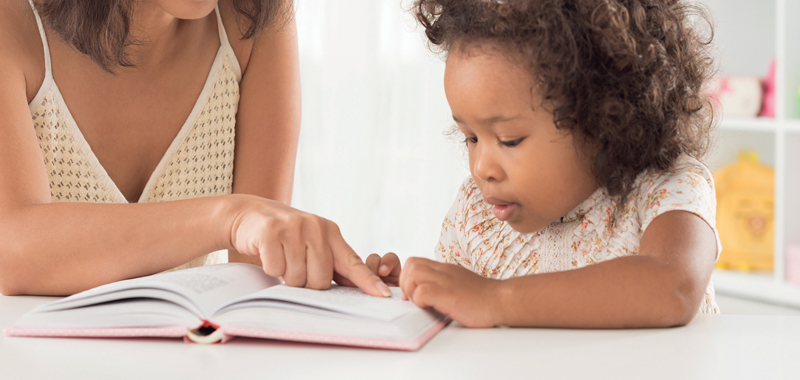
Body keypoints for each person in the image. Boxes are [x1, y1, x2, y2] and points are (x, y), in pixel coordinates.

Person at [0, 0, 399, 297]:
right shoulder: (12, 22)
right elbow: (12, 250)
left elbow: (258, 273)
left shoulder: (255, 15)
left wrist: (334, 283)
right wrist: (230, 217)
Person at [396, 0, 721, 328]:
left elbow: (672, 287)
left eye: (508, 139)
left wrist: (495, 298)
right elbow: (459, 309)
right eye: (471, 138)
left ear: (604, 118)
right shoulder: (474, 214)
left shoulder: (665, 187)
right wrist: (410, 292)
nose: (481, 168)